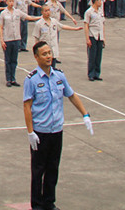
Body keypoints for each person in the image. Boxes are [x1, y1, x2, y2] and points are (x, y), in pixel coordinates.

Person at [24, 41, 93, 210]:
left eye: (50, 53)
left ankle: (49, 202)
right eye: (44, 54)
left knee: (53, 169)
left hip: (56, 131)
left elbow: (71, 95)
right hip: (41, 132)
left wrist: (85, 114)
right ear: (36, 57)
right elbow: (27, 106)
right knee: (38, 170)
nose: (48, 56)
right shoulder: (31, 80)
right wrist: (30, 132)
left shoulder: (59, 76)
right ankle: (37, 205)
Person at [0, 0, 39, 87]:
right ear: (6, 2)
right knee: (8, 60)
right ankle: (8, 79)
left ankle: (13, 78)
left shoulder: (18, 12)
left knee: (14, 60)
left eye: (12, 1)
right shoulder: (3, 13)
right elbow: (1, 27)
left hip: (16, 39)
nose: (11, 3)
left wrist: (39, 17)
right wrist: (2, 40)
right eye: (10, 1)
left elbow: (28, 17)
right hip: (7, 39)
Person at [84, 0, 106, 81]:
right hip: (92, 35)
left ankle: (97, 73)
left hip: (100, 36)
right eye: (100, 1)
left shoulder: (101, 11)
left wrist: (104, 37)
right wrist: (87, 39)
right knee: (92, 56)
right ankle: (91, 74)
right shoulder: (89, 12)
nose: (101, 2)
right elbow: (86, 25)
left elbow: (103, 24)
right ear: (96, 1)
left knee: (98, 56)